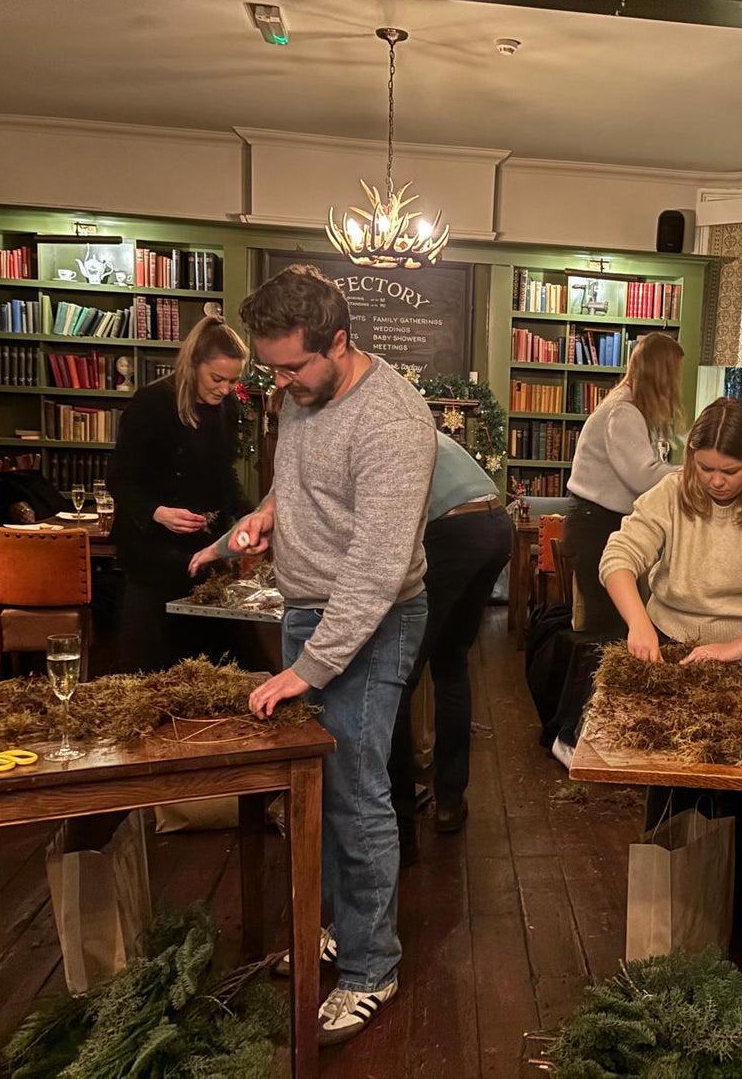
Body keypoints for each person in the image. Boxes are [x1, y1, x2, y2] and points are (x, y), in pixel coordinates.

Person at [223, 265, 436, 1046]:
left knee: (353, 788)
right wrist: (267, 511)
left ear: (339, 343)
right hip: (306, 607)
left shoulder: (394, 423)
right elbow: (304, 481)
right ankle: (347, 926)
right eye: (269, 367)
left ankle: (370, 966)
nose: (279, 383)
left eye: (291, 368)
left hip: (373, 621)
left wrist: (306, 667)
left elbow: (377, 572)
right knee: (316, 782)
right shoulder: (302, 389)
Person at [601, 396, 742, 930]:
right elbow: (620, 557)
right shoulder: (670, 494)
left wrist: (740, 645)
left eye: (730, 471)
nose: (716, 481)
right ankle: (677, 898)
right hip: (675, 645)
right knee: (674, 774)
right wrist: (638, 624)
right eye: (704, 468)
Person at [388, 433, 514, 853]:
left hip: (453, 528)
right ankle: (449, 803)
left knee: (399, 679)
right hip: (494, 523)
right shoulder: (412, 424)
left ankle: (399, 827)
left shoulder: (358, 429)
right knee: (450, 663)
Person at [107, 315, 251, 672]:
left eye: (233, 380)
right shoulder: (150, 404)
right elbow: (120, 478)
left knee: (208, 664)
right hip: (152, 557)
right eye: (217, 379)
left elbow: (224, 473)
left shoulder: (227, 408)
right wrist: (159, 512)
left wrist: (248, 516)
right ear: (193, 365)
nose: (225, 389)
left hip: (205, 554)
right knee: (151, 665)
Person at [566, 332, 684, 633]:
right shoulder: (624, 411)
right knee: (608, 625)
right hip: (598, 524)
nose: (676, 385)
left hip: (597, 520)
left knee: (612, 620)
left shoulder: (629, 407)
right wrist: (691, 473)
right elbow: (644, 476)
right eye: (675, 374)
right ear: (662, 373)